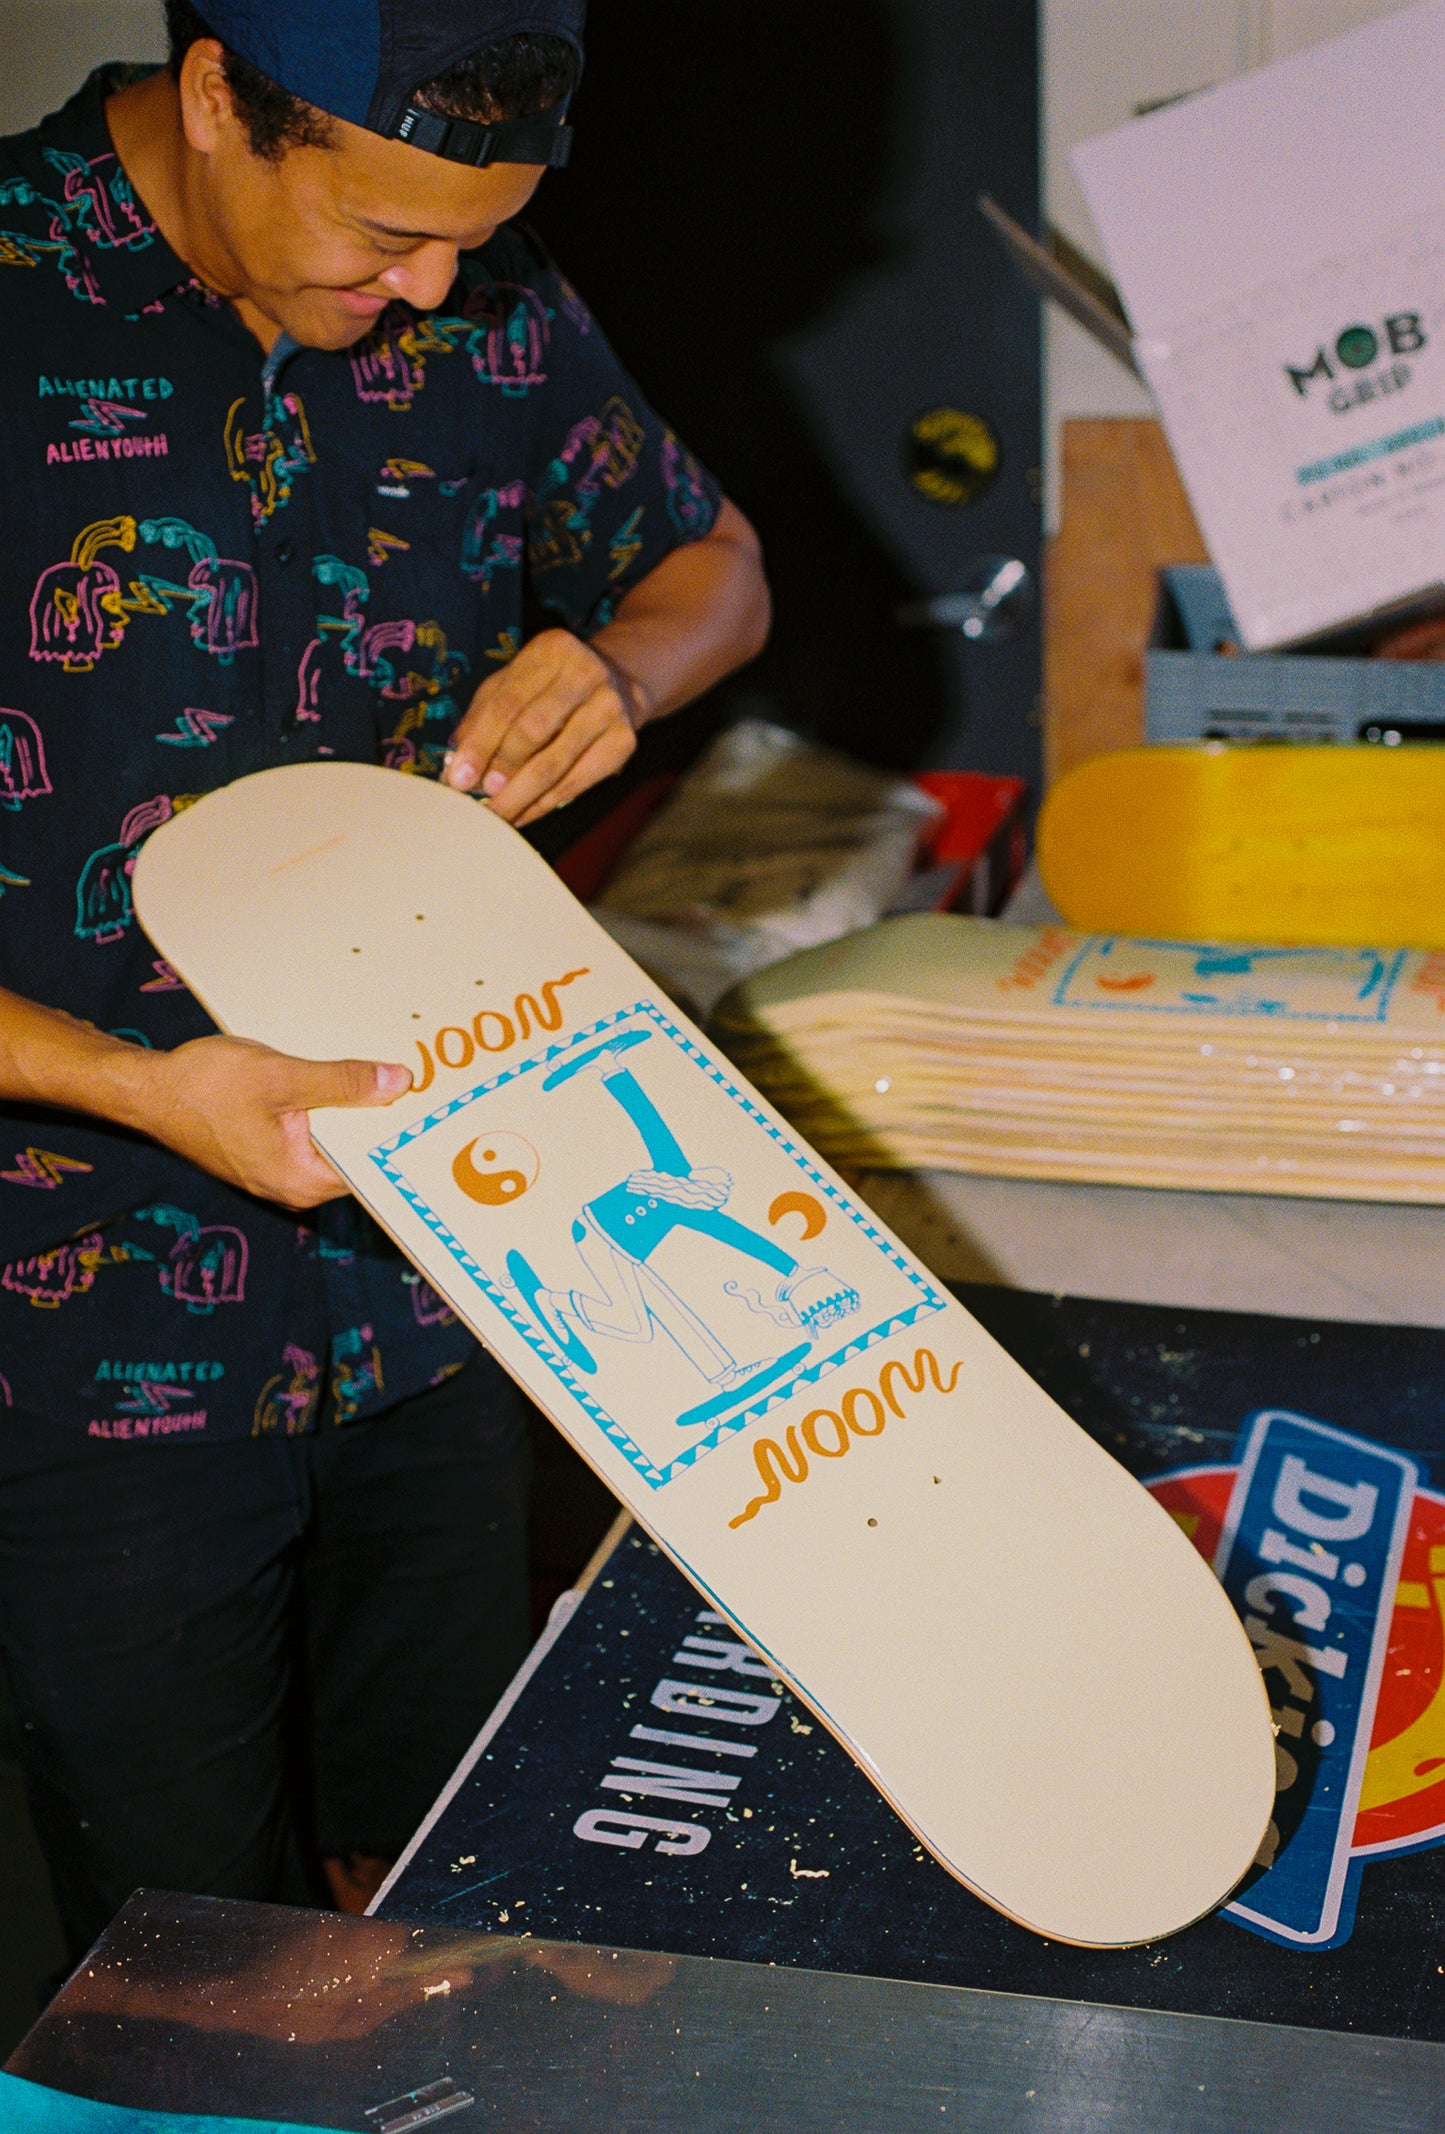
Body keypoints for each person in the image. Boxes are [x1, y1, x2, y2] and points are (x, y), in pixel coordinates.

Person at [0, 0, 770, 1964]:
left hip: (445, 1274)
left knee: (449, 1890)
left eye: (474, 237)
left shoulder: (484, 306)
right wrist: (128, 1079)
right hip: (81, 1335)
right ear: (213, 101)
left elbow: (717, 570)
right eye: (385, 237)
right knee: (185, 1963)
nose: (432, 291)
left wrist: (620, 669)